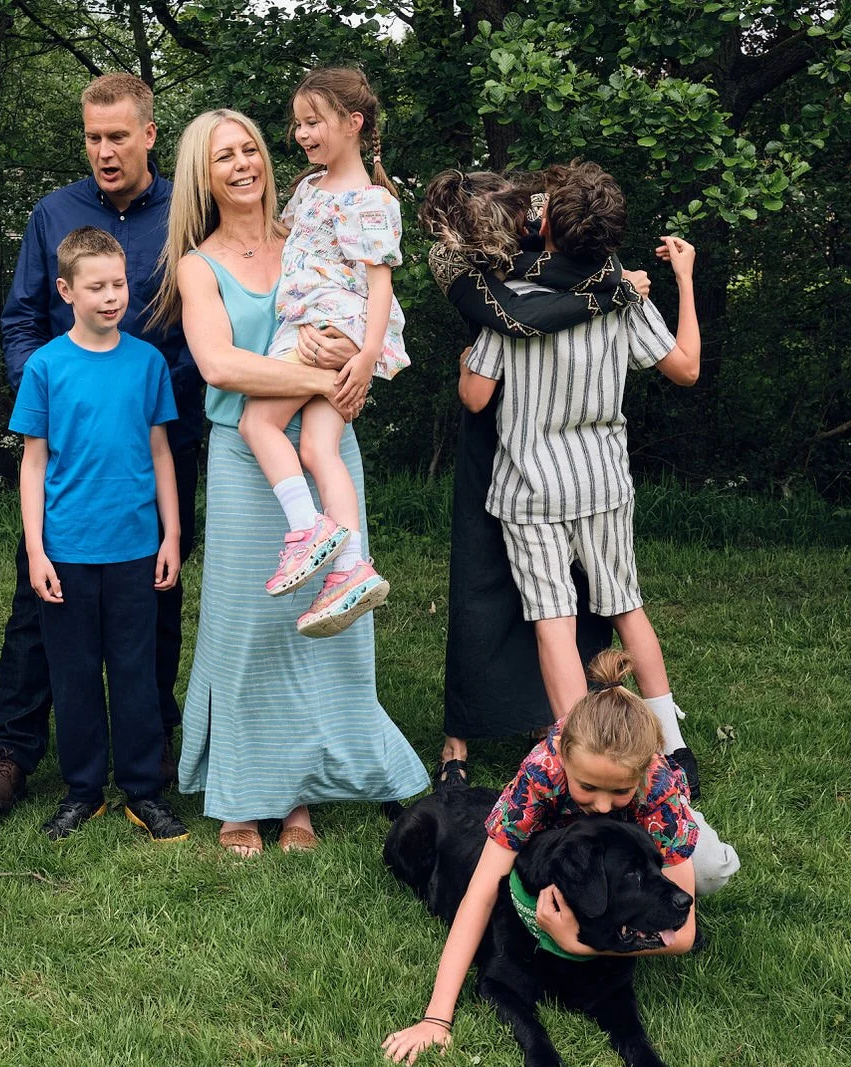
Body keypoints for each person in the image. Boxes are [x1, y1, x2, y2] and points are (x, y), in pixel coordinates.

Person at [151, 110, 428, 857]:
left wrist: (356, 362)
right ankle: (244, 794)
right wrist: (326, 376)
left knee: (322, 626)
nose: (243, 164)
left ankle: (302, 792)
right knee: (248, 626)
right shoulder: (198, 264)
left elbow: (369, 310)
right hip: (247, 461)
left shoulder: (310, 226)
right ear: (202, 177)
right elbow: (220, 367)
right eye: (224, 157)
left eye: (250, 149)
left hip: (325, 446)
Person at [0, 73, 203, 814]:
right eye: (93, 137)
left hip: (162, 429)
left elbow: (211, 313)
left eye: (118, 137)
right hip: (69, 442)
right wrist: (49, 400)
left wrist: (169, 392)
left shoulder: (188, 212)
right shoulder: (54, 213)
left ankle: (150, 743)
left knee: (156, 590)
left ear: (149, 135)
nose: (104, 151)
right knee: (40, 594)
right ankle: (13, 748)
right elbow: (22, 318)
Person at [456, 163, 703, 775]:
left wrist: (466, 362)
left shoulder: (513, 304)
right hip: (603, 482)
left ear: (545, 227)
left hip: (531, 487)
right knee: (626, 607)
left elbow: (476, 397)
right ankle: (673, 748)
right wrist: (684, 280)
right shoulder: (622, 297)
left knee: (554, 622)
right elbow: (686, 369)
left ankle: (577, 759)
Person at [381, 651, 738, 1064]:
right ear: (564, 758)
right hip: (564, 842)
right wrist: (436, 1019)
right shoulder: (540, 773)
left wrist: (576, 943)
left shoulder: (658, 787)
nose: (602, 806)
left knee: (707, 870)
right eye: (588, 787)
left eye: (618, 791)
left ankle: (670, 859)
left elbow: (685, 937)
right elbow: (480, 895)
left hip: (625, 841)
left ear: (642, 775)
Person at [419, 169, 647, 790]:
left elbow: (586, 269)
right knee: (481, 575)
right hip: (493, 415)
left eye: (525, 217)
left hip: (550, 410)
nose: (523, 227)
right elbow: (519, 316)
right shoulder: (450, 257)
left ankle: (554, 719)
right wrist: (611, 293)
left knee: (562, 590)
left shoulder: (547, 214)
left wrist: (613, 283)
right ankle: (459, 738)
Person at [9, 227, 188, 842]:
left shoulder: (148, 363)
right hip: (67, 549)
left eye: (118, 284)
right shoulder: (45, 366)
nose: (111, 297)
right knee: (75, 673)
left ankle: (144, 789)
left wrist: (171, 536)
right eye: (96, 287)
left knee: (137, 670)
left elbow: (161, 453)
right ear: (66, 291)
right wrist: (37, 551)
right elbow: (34, 462)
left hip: (136, 547)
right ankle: (83, 790)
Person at [240, 68, 405, 638]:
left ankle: (307, 527)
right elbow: (284, 244)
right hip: (323, 328)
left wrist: (366, 355)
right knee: (317, 447)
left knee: (257, 422)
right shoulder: (309, 188)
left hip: (326, 328)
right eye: (298, 123)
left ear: (353, 123)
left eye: (314, 122)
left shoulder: (371, 201)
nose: (302, 133)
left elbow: (380, 284)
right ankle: (351, 567)